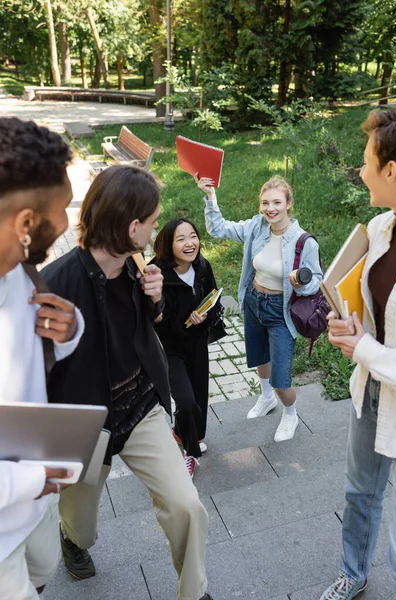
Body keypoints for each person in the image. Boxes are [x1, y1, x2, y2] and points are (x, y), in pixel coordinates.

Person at [42, 165, 213, 600]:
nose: (157, 230)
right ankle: (72, 540)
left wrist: (155, 301)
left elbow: (151, 329)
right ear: (132, 227)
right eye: (153, 223)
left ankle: (194, 592)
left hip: (140, 405)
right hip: (84, 424)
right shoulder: (55, 285)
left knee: (186, 505)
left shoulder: (140, 270)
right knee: (82, 524)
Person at [0, 117, 84, 600]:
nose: (67, 224)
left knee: (46, 566)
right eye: (62, 211)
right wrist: (32, 478)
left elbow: (43, 338)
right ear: (27, 223)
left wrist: (70, 331)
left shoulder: (21, 268)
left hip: (38, 498)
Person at [320, 109, 396, 600]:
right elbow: (375, 310)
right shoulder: (380, 229)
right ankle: (354, 572)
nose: (361, 170)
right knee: (360, 492)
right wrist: (352, 325)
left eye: (367, 162)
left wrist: (365, 347)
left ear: (392, 170)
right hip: (373, 390)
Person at [196, 174, 323, 442]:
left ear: (289, 204)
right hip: (254, 301)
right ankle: (266, 399)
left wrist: (300, 282)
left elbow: (317, 282)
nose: (270, 209)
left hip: (281, 311)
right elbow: (219, 229)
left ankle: (291, 413)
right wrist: (211, 198)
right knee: (258, 358)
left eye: (277, 202)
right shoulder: (257, 226)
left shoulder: (304, 242)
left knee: (280, 377)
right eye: (265, 203)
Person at [152, 218, 219, 477]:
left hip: (197, 343)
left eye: (193, 236)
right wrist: (183, 321)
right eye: (181, 239)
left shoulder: (202, 267)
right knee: (187, 401)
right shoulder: (156, 273)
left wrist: (205, 316)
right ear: (168, 245)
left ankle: (182, 434)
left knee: (199, 396)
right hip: (169, 347)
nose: (190, 243)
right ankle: (190, 453)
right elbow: (155, 319)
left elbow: (213, 299)